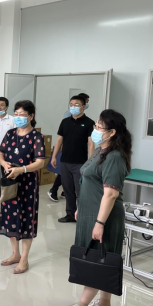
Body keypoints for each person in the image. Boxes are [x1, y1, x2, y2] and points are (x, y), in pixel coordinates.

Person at [63, 109, 132, 306]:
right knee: (102, 258)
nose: (95, 129)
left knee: (96, 260)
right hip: (90, 212)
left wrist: (100, 222)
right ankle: (104, 304)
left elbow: (110, 194)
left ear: (112, 132)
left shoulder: (114, 157)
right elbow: (90, 181)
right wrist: (81, 208)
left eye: (99, 127)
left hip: (104, 216)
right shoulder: (101, 151)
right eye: (96, 126)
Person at [0, 100, 46, 274]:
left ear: (31, 116)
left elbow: (40, 162)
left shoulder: (36, 137)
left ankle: (24, 259)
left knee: (25, 219)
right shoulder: (10, 134)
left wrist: (22, 169)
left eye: (22, 115)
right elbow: (0, 153)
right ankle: (15, 254)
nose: (18, 117)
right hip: (10, 181)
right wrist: (4, 164)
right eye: (16, 114)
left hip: (27, 184)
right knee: (10, 217)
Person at [51, 95, 95, 223]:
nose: (73, 107)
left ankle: (82, 216)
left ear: (83, 106)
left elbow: (91, 143)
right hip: (65, 161)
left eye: (76, 105)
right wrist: (54, 156)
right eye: (71, 104)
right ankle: (70, 214)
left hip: (80, 163)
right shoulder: (65, 122)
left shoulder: (89, 123)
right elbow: (59, 139)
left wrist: (90, 162)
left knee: (81, 191)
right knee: (68, 190)